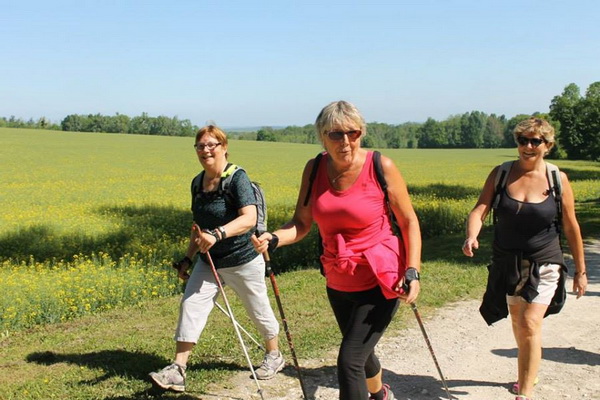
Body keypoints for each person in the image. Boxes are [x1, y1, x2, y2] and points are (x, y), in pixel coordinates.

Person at [253, 101, 422, 400]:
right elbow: (302, 222)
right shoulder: (315, 168)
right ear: (322, 136)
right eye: (335, 134)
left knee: (349, 360)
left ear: (361, 133)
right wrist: (274, 238)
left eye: (352, 133)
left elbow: (408, 221)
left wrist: (412, 271)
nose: (345, 142)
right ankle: (381, 394)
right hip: (338, 278)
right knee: (361, 352)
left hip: (381, 278)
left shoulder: (381, 166)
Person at [149, 125, 284, 392]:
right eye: (200, 146)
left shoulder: (236, 178)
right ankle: (178, 369)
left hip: (243, 259)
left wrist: (218, 234)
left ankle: (274, 354)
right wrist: (187, 258)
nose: (206, 150)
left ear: (224, 147)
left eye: (212, 145)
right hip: (209, 261)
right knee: (191, 305)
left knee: (257, 310)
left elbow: (249, 218)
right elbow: (198, 227)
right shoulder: (197, 183)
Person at [462, 117, 587, 400]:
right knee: (518, 320)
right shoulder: (502, 173)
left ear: (548, 145)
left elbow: (571, 226)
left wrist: (580, 270)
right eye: (523, 140)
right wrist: (471, 236)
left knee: (530, 322)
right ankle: (526, 374)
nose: (528, 146)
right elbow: (479, 209)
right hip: (507, 260)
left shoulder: (558, 179)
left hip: (545, 261)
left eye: (535, 141)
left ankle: (525, 393)